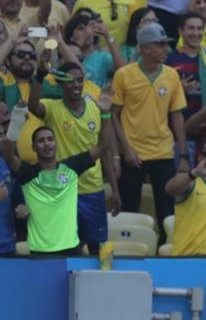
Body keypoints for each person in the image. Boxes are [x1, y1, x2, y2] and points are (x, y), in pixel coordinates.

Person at [27, 63, 120, 251]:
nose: (76, 85)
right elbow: (33, 106)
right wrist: (40, 76)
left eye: (80, 80)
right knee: (68, 245)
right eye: (70, 81)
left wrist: (114, 189)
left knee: (97, 247)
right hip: (64, 190)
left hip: (93, 188)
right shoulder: (52, 107)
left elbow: (104, 150)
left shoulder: (96, 108)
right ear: (61, 83)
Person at [112, 23, 187, 235]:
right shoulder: (124, 75)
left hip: (163, 151)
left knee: (167, 209)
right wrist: (125, 149)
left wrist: (182, 154)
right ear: (145, 48)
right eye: (160, 45)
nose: (166, 49)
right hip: (133, 152)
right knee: (130, 208)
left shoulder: (171, 75)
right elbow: (113, 115)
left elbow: (177, 115)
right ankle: (128, 249)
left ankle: (166, 248)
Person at [1, 111, 111, 256]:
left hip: (71, 250)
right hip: (40, 252)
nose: (46, 143)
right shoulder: (27, 173)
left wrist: (105, 114)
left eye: (50, 139)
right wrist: (17, 118)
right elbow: (8, 155)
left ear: (55, 143)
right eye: (41, 141)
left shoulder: (72, 167)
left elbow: (103, 146)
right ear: (34, 147)